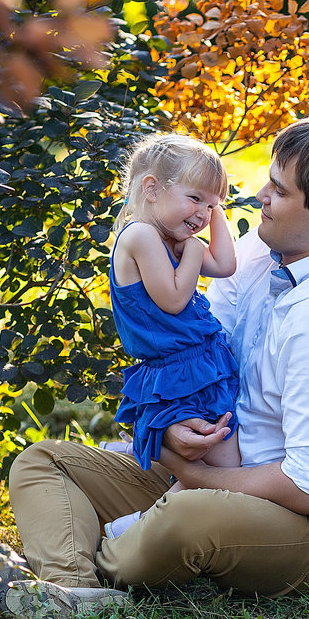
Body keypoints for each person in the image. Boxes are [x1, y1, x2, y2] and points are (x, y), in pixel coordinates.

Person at [0, 116, 309, 619]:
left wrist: (190, 473)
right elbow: (194, 362)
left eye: (277, 188)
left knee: (189, 513)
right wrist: (173, 432)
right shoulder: (257, 255)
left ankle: (93, 552)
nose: (259, 195)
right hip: (220, 469)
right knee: (43, 461)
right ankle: (74, 593)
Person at [102, 134, 241, 540]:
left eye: (212, 205)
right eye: (195, 198)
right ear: (152, 188)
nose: (202, 214)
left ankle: (142, 497)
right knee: (224, 469)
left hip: (198, 367)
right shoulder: (141, 236)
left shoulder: (170, 238)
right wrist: (194, 249)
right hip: (177, 376)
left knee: (223, 463)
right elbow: (175, 300)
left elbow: (226, 265)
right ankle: (136, 529)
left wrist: (214, 214)